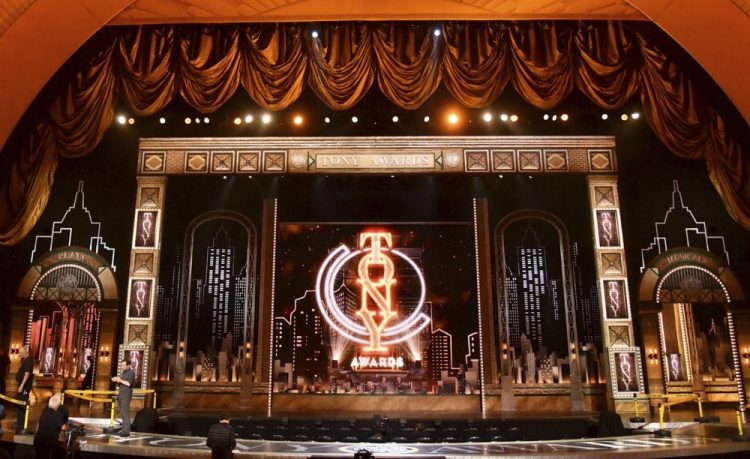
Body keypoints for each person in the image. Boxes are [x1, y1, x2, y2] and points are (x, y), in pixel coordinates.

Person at [34, 394, 65, 459]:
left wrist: (35, 434)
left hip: (38, 440)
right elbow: (63, 427)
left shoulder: (45, 412)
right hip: (48, 442)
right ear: (58, 405)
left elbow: (38, 424)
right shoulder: (57, 415)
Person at [111, 359, 135, 437]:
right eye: (122, 365)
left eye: (124, 365)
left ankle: (126, 431)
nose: (122, 366)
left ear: (128, 365)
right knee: (122, 413)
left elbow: (128, 384)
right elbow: (122, 383)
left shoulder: (131, 373)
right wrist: (116, 380)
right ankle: (124, 430)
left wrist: (119, 379)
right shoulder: (123, 372)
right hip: (121, 394)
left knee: (125, 413)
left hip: (126, 395)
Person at [15, 345, 33, 428]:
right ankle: (19, 421)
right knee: (18, 402)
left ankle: (21, 423)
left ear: (26, 351)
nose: (19, 354)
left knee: (22, 403)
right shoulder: (25, 360)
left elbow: (27, 374)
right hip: (21, 385)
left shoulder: (29, 360)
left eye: (21, 352)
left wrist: (22, 386)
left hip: (25, 387)